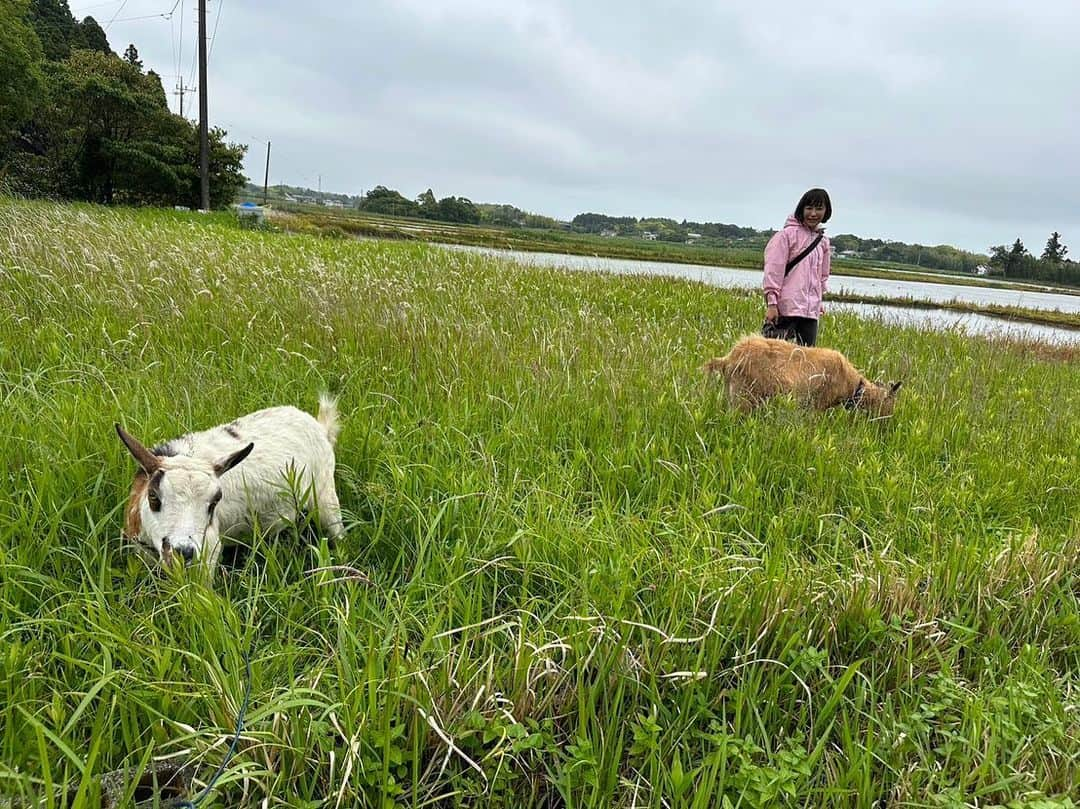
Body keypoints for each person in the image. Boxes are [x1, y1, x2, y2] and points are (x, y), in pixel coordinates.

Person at [762, 188, 832, 346]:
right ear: (801, 209)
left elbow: (822, 277)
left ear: (826, 211)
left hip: (810, 313)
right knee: (773, 356)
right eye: (809, 208)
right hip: (786, 308)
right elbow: (773, 270)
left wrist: (817, 302)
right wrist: (772, 303)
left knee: (806, 361)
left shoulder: (823, 242)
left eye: (819, 208)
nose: (813, 213)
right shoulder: (786, 236)